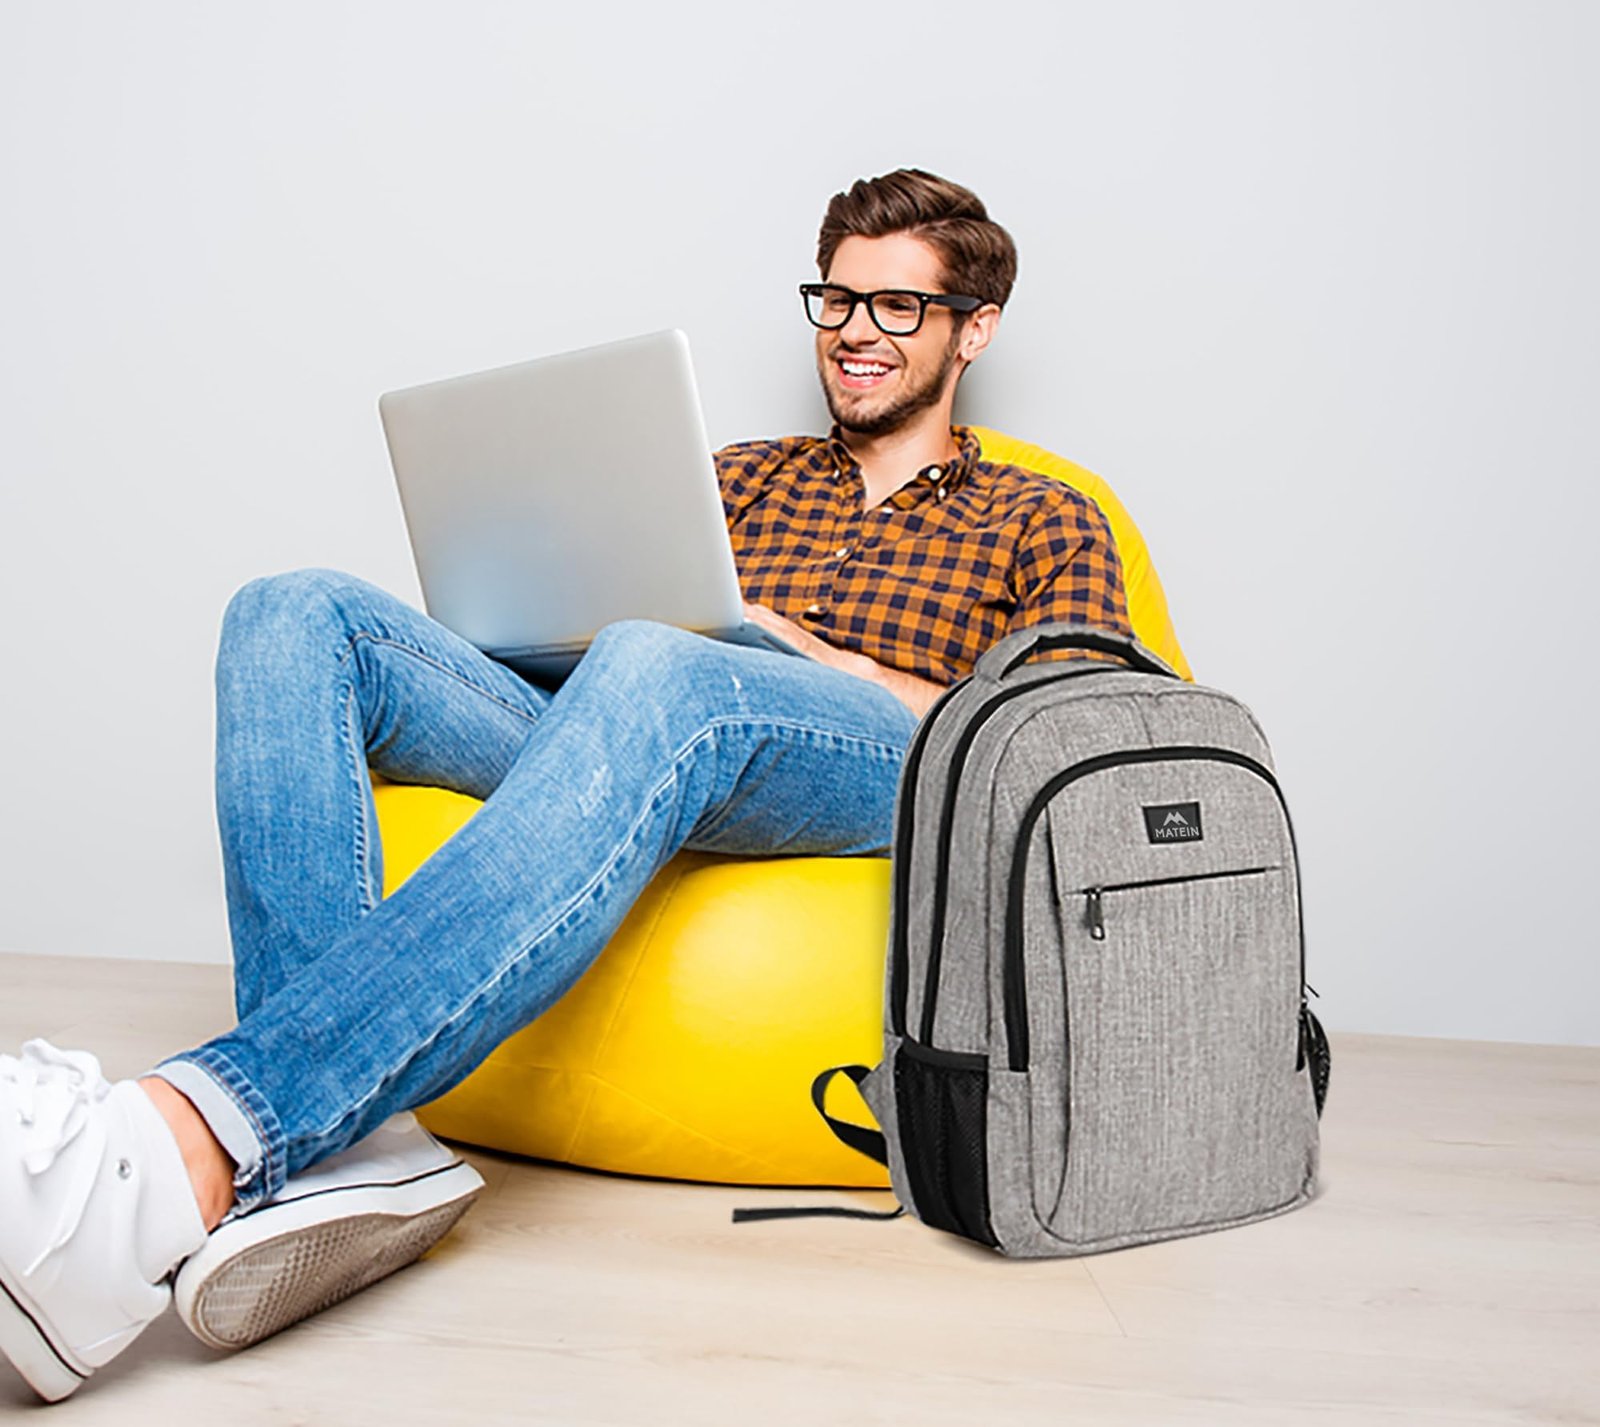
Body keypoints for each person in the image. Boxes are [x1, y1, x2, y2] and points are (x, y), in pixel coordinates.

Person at [0, 168, 1133, 1402]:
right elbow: (606, 626)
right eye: (837, 300)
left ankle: (192, 1142)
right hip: (636, 719)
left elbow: (1064, 731)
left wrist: (824, 659)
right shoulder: (735, 476)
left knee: (662, 658)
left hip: (876, 757)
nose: (856, 331)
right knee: (292, 610)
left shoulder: (1043, 514)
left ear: (975, 328)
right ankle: (340, 1152)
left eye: (898, 307)